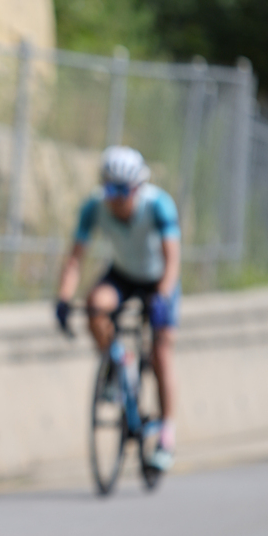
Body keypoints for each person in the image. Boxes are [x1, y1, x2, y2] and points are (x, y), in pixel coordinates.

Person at [55, 145, 181, 470]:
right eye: (110, 190)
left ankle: (166, 434)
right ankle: (118, 363)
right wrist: (64, 299)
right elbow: (75, 259)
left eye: (123, 191)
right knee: (95, 306)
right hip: (123, 274)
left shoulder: (158, 205)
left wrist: (162, 297)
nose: (116, 199)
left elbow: (172, 260)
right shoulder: (95, 206)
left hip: (158, 280)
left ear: (138, 188)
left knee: (161, 352)